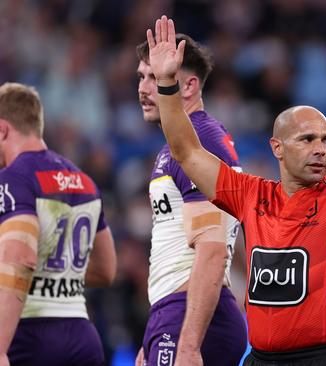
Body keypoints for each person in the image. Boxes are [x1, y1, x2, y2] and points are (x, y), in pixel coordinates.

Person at [145, 15, 326, 366]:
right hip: (260, 359)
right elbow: (187, 151)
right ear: (277, 148)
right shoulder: (251, 195)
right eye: (307, 139)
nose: (320, 149)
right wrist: (165, 83)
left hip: (322, 358)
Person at [134, 33, 247, 366]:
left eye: (155, 77)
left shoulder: (200, 145)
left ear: (189, 86)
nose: (142, 88)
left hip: (191, 317)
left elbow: (211, 251)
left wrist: (187, 344)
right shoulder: (180, 146)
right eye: (142, 76)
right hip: (175, 314)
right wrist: (154, 333)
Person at [0, 82, 116, 366]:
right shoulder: (85, 181)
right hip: (82, 335)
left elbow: (20, 258)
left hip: (28, 334)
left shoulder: (13, 180)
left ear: (3, 130)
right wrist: (57, 272)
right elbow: (106, 269)